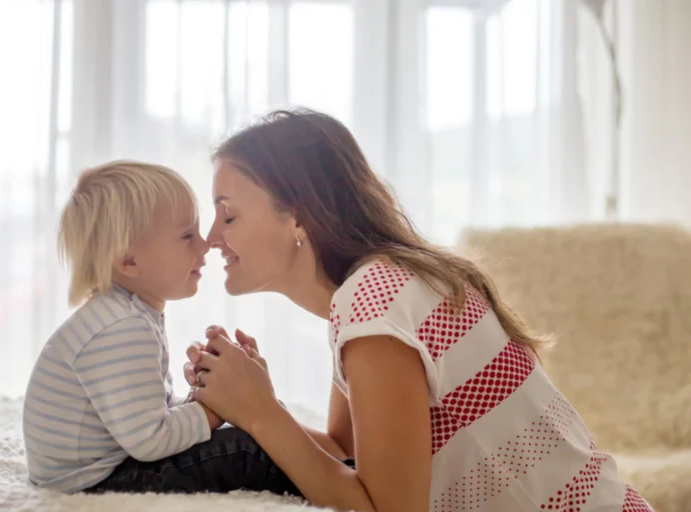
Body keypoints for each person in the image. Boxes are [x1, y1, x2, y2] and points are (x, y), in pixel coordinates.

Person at [183, 109, 654, 511]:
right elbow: (346, 452)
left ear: (299, 216)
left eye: (228, 214)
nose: (211, 237)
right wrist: (250, 403)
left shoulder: (373, 301)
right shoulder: (377, 290)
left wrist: (263, 412)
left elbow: (390, 508)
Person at [22, 160, 299, 496]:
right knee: (244, 449)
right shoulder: (123, 328)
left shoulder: (125, 315)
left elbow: (152, 413)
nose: (204, 245)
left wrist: (202, 396)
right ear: (128, 260)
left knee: (248, 433)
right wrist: (215, 410)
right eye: (187, 235)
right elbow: (150, 440)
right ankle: (330, 479)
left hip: (98, 467)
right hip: (96, 480)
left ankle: (324, 463)